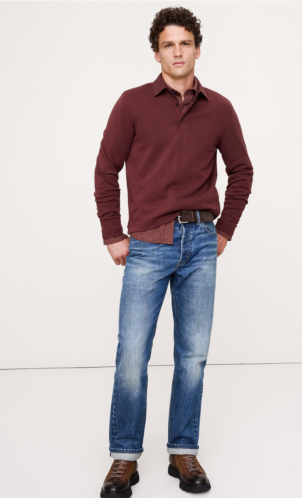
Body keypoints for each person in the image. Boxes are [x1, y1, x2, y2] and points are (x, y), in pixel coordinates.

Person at [94, 6, 254, 496]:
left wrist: (225, 229)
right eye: (169, 44)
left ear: (197, 49)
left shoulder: (220, 108)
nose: (178, 52)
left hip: (201, 243)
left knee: (193, 355)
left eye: (185, 43)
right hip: (147, 243)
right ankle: (125, 457)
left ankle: (183, 450)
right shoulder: (132, 104)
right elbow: (105, 168)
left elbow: (242, 170)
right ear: (157, 52)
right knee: (132, 354)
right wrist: (112, 232)